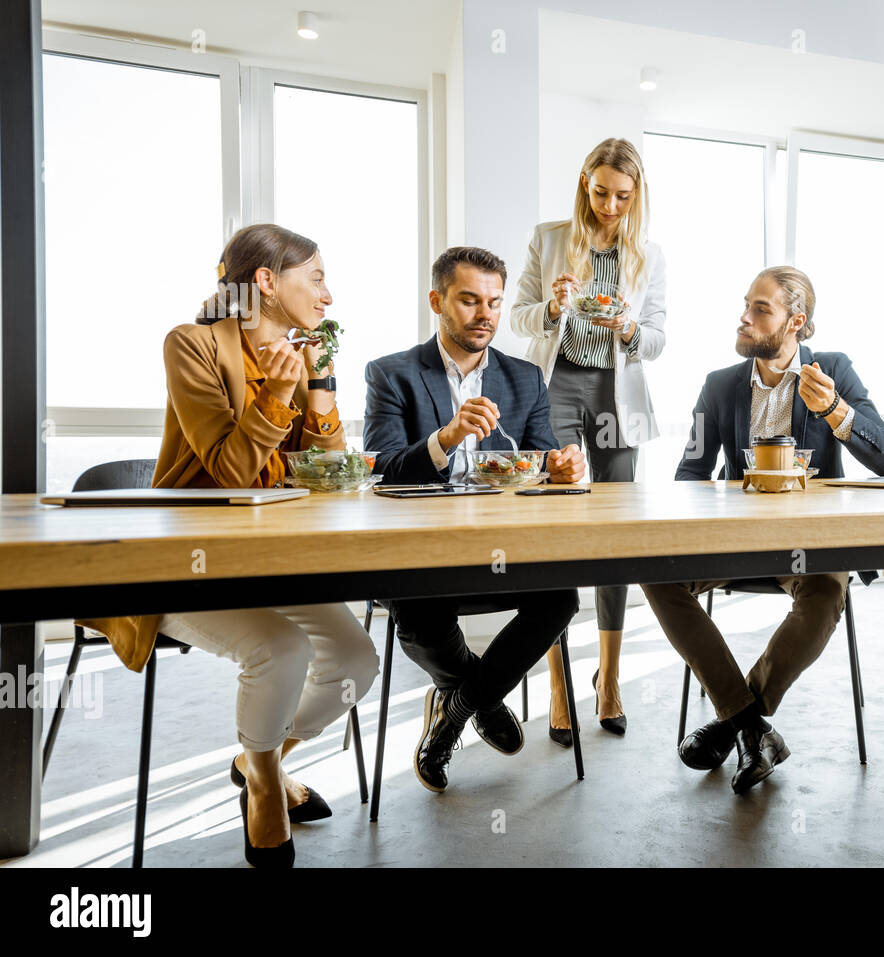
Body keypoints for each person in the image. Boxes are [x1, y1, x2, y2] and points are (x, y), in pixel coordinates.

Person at [82, 224, 381, 866]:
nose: (328, 295)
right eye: (318, 277)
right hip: (188, 563)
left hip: (274, 560)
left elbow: (329, 472)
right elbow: (228, 473)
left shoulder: (300, 353)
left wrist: (319, 384)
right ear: (267, 282)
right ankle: (267, 789)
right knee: (281, 646)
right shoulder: (191, 344)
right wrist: (275, 395)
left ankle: (255, 757)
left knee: (357, 660)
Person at [640, 266, 884, 794]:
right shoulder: (720, 385)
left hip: (810, 547)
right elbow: (689, 475)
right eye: (746, 304)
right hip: (734, 544)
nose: (744, 316)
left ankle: (732, 724)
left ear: (796, 322)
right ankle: (750, 726)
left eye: (760, 309)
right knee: (653, 573)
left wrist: (833, 409)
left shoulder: (832, 370)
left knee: (829, 589)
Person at [364, 245, 586, 793]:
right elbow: (383, 470)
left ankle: (455, 708)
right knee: (419, 609)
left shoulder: (526, 378)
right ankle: (478, 700)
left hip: (502, 549)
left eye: (493, 302)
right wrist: (447, 436)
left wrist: (560, 466)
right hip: (422, 553)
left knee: (561, 597)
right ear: (437, 300)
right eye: (468, 300)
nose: (484, 314)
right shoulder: (391, 375)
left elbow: (537, 460)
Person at [511, 137, 667, 744]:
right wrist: (551, 309)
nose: (610, 205)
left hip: (616, 393)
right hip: (558, 388)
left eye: (623, 196)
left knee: (615, 535)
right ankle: (556, 683)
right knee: (558, 530)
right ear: (584, 183)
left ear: (637, 195)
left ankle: (609, 679)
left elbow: (657, 337)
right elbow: (518, 314)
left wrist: (629, 326)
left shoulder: (648, 254)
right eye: (600, 191)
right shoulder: (549, 239)